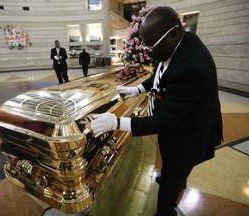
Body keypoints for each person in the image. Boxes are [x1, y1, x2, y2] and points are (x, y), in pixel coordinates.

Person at [89, 6, 223, 216]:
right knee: (175, 166)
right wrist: (138, 89)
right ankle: (179, 178)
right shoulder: (174, 45)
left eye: (150, 43)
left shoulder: (191, 68)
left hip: (191, 131)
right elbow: (162, 73)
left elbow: (164, 121)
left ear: (174, 34)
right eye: (143, 42)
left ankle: (165, 210)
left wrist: (115, 122)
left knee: (172, 171)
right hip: (181, 121)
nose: (145, 49)